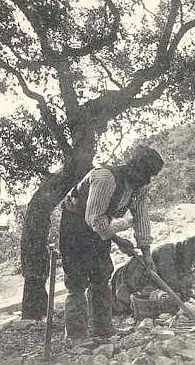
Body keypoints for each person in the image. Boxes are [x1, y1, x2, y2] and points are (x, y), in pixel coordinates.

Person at [58, 146, 164, 341]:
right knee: (77, 279)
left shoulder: (139, 187)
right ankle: (76, 335)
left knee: (101, 273)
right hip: (75, 225)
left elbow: (141, 218)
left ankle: (103, 329)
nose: (148, 180)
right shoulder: (105, 178)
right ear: (135, 168)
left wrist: (146, 253)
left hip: (100, 225)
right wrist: (118, 240)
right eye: (146, 174)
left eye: (152, 176)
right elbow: (94, 219)